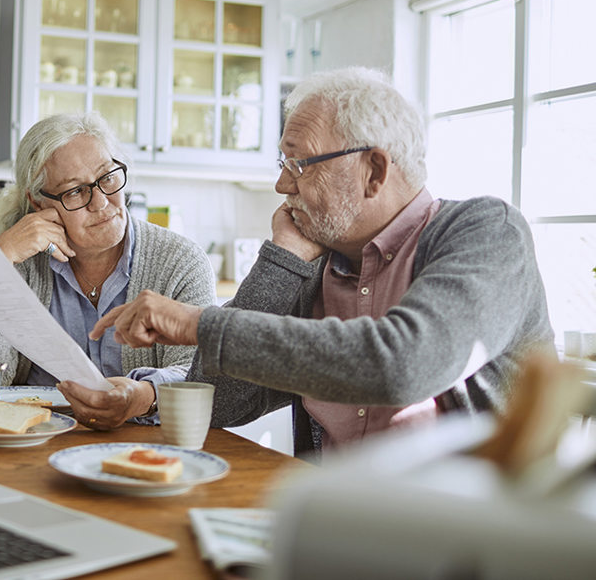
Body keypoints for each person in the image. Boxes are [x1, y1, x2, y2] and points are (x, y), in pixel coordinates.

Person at [91, 67, 555, 461]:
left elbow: (404, 364)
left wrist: (199, 324)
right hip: (332, 520)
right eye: (282, 162)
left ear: (374, 171)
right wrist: (283, 261)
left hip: (476, 535)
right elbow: (223, 401)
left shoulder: (487, 231)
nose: (280, 184)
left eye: (299, 164)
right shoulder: (316, 263)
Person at [0, 111, 216, 429]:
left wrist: (144, 395)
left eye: (108, 178)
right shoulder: (22, 262)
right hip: (35, 442)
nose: (101, 202)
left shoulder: (180, 262)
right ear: (39, 203)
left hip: (147, 445)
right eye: (75, 191)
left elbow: (200, 377)